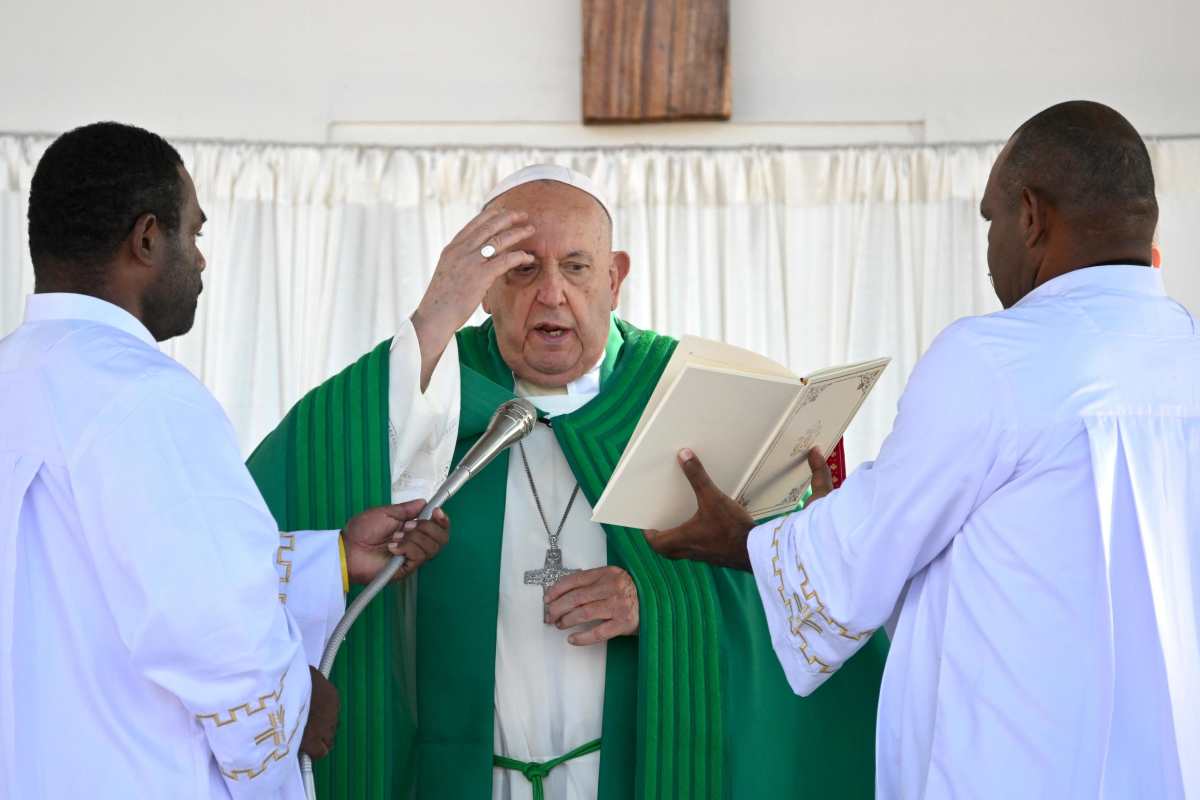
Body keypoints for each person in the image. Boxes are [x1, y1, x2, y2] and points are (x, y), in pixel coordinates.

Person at [247, 164, 888, 799]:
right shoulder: (418, 394)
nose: (551, 294)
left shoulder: (696, 397)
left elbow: (800, 589)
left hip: (632, 774)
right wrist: (434, 315)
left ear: (614, 278)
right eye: (521, 269)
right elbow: (296, 491)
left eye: (576, 267)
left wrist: (656, 604)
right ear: (485, 287)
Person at [646, 101, 1200, 797]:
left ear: (1031, 217)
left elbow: (862, 556)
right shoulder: (1188, 353)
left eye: (991, 218)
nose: (992, 242)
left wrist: (743, 540)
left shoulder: (995, 357)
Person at [0, 122, 449, 799]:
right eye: (195, 234)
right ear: (147, 238)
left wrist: (329, 560)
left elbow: (78, 578)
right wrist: (300, 705)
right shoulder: (144, 394)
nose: (202, 261)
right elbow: (214, 632)